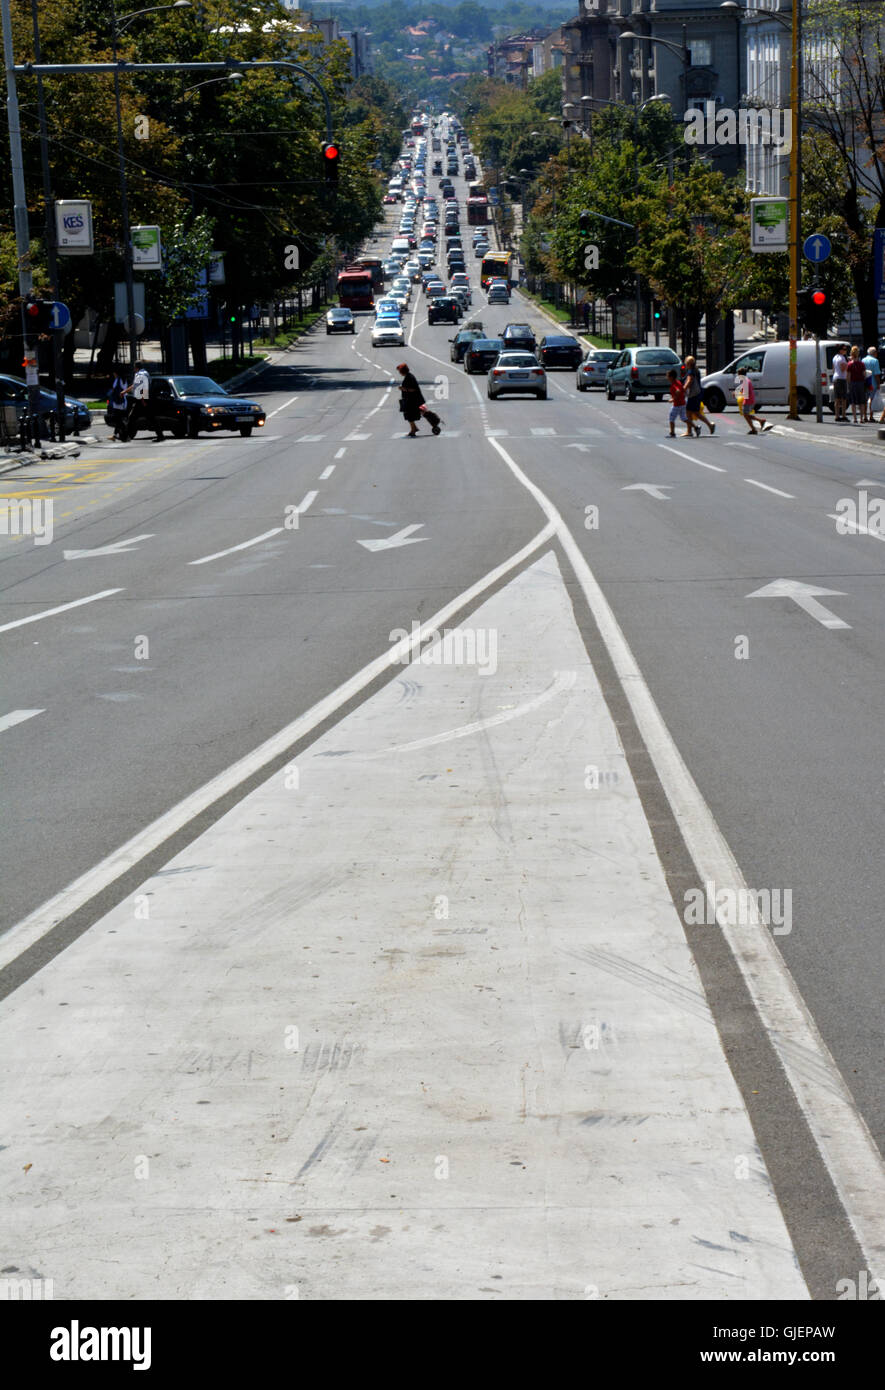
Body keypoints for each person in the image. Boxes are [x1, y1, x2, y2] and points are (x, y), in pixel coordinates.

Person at [123, 360, 163, 441]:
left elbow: (142, 387)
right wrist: (124, 391)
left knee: (132, 418)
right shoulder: (145, 373)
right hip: (144, 399)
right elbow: (135, 385)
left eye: (134, 367)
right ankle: (160, 435)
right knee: (151, 418)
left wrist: (142, 400)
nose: (133, 368)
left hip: (141, 400)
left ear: (136, 367)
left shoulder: (140, 374)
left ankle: (126, 436)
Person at [682, 355, 715, 436]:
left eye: (686, 363)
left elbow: (689, 381)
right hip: (698, 393)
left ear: (688, 363)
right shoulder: (696, 369)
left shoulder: (691, 371)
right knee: (695, 413)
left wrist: (683, 389)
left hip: (693, 394)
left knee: (689, 412)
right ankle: (709, 425)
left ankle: (689, 431)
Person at [396, 361, 430, 437]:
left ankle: (414, 429)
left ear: (403, 371)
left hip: (414, 400)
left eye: (400, 371)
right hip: (413, 400)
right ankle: (414, 428)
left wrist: (403, 389)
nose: (399, 373)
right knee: (417, 413)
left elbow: (413, 389)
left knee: (409, 414)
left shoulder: (409, 377)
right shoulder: (408, 376)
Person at [736, 366, 772, 434]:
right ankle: (759, 422)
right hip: (751, 399)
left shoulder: (744, 381)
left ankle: (755, 428)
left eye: (738, 374)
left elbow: (745, 393)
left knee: (746, 415)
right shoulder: (746, 380)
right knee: (747, 415)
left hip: (748, 400)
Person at [845, 345, 867, 425]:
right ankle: (861, 418)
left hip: (853, 384)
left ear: (851, 353)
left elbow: (848, 377)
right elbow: (864, 374)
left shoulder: (849, 364)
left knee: (853, 402)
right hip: (861, 383)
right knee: (861, 402)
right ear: (858, 354)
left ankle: (855, 419)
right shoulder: (862, 364)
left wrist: (849, 385)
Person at [107, 368, 129, 442]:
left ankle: (125, 435)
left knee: (118, 420)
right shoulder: (124, 379)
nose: (113, 374)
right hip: (124, 402)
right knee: (119, 419)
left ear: (116, 373)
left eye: (114, 373)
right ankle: (116, 435)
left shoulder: (117, 380)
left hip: (118, 402)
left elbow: (113, 389)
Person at [666, 368, 689, 437]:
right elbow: (682, 391)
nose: (667, 378)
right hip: (682, 403)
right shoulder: (678, 382)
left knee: (671, 418)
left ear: (671, 377)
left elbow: (678, 391)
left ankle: (672, 433)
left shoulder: (674, 385)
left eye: (668, 376)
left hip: (677, 405)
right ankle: (696, 427)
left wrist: (673, 399)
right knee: (684, 418)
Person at [861, 346, 881, 423]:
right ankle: (871, 416)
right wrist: (878, 383)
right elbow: (876, 374)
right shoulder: (875, 361)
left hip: (865, 382)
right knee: (872, 400)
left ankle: (865, 416)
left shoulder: (863, 360)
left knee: (865, 400)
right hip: (873, 383)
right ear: (874, 353)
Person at [831, 344, 848, 423]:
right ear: (840, 350)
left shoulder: (835, 357)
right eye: (844, 349)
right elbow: (843, 369)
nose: (845, 351)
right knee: (843, 399)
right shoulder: (842, 358)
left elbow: (833, 369)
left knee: (837, 399)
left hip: (835, 378)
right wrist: (848, 364)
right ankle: (844, 415)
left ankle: (837, 416)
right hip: (841, 379)